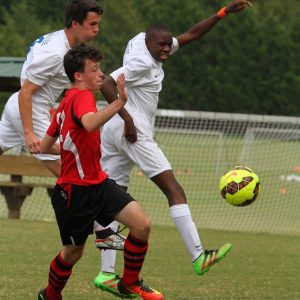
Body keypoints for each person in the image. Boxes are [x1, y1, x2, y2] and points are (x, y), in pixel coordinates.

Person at [93, 0, 252, 297]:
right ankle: (198, 255)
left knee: (111, 199)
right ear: (149, 43)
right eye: (162, 46)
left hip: (113, 131)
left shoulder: (147, 42)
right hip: (132, 130)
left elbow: (192, 35)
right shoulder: (142, 62)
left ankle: (106, 273)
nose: (167, 50)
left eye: (169, 45)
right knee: (174, 190)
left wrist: (222, 13)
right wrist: (127, 119)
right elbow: (106, 83)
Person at [38, 44, 163, 300]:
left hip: (100, 184)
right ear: (78, 76)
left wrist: (55, 145)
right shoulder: (82, 97)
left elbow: (45, 145)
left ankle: (129, 283)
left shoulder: (64, 104)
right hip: (75, 193)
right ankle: (50, 295)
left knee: (142, 225)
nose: (100, 74)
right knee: (73, 252)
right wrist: (120, 102)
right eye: (94, 69)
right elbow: (90, 122)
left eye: (99, 68)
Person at [0, 0, 123, 250]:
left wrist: (51, 110)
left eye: (98, 24)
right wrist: (30, 132)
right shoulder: (56, 53)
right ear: (75, 24)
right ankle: (103, 231)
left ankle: (101, 229)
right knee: (71, 171)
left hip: (24, 107)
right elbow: (26, 91)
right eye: (92, 24)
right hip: (28, 108)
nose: (97, 29)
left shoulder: (60, 42)